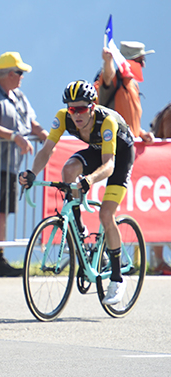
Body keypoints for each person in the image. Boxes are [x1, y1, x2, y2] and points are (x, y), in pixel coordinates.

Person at [19, 80, 136, 305]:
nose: (76, 114)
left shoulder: (107, 122)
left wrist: (89, 180)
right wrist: (32, 172)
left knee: (106, 215)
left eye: (81, 108)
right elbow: (47, 150)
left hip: (119, 156)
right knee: (69, 170)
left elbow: (109, 165)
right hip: (96, 149)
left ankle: (117, 278)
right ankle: (79, 228)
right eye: (72, 109)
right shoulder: (63, 117)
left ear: (92, 106)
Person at [0, 51, 47, 278]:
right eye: (19, 72)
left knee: (3, 212)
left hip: (9, 165)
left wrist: (41, 131)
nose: (22, 76)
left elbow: (29, 121)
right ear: (8, 74)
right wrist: (14, 136)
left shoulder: (18, 95)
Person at [95, 41, 168, 275]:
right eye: (140, 60)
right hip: (108, 152)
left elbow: (129, 120)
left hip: (126, 150)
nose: (144, 64)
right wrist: (108, 62)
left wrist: (141, 133)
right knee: (108, 210)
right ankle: (107, 256)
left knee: (115, 209)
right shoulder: (116, 76)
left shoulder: (131, 83)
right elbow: (105, 79)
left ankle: (116, 255)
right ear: (128, 60)